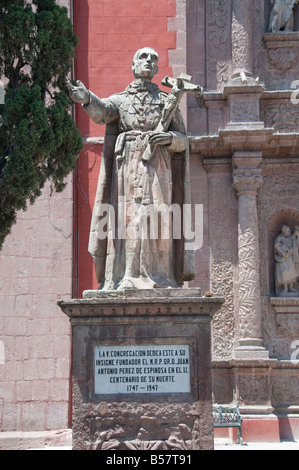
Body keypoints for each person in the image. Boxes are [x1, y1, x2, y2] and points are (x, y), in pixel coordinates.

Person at [68, 47, 195, 290]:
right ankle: (126, 276)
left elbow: (183, 140)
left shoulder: (166, 101)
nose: (148, 61)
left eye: (153, 59)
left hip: (160, 167)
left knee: (158, 218)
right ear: (133, 65)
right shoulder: (122, 100)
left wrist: (169, 139)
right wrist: (86, 98)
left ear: (157, 69)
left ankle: (162, 277)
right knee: (128, 219)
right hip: (127, 167)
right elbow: (102, 112)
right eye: (143, 57)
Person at [274, 225, 298, 294]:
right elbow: (276, 246)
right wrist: (282, 252)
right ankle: (285, 287)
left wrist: (297, 235)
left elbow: (296, 246)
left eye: (288, 231)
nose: (287, 232)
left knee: (292, 271)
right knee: (284, 272)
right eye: (286, 231)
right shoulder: (279, 237)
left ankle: (291, 286)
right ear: (283, 232)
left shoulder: (292, 237)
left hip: (291, 257)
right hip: (283, 259)